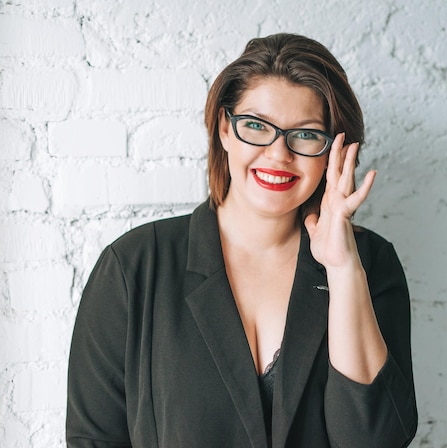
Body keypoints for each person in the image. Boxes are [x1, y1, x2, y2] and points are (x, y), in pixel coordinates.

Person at [66, 33, 417, 448]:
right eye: (256, 126)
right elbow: (94, 440)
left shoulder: (370, 264)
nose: (278, 154)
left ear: (335, 150)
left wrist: (342, 270)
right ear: (224, 129)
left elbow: (374, 440)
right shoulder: (133, 266)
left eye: (305, 135)